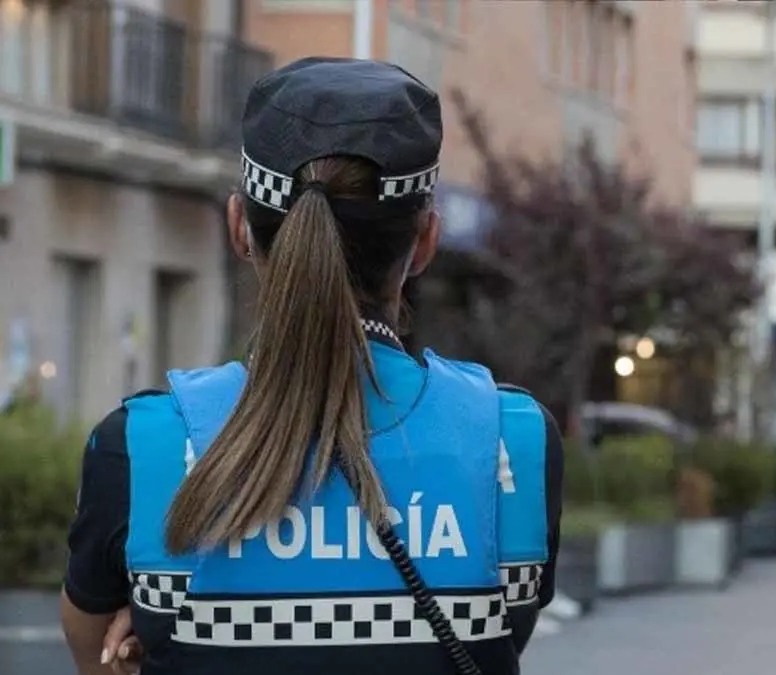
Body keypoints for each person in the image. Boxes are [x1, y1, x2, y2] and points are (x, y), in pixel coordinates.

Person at [59, 57, 564, 675]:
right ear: (426, 241)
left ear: (240, 227)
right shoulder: (516, 439)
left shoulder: (141, 444)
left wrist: (162, 626)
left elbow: (95, 660)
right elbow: (496, 639)